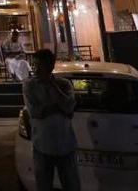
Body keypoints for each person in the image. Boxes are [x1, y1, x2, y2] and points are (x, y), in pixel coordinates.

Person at [23, 49, 80, 191]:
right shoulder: (30, 85)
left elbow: (69, 107)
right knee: (43, 185)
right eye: (34, 65)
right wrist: (58, 108)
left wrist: (52, 85)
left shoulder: (64, 84)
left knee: (71, 184)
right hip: (42, 146)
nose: (36, 69)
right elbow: (35, 112)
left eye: (39, 65)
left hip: (65, 145)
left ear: (50, 66)